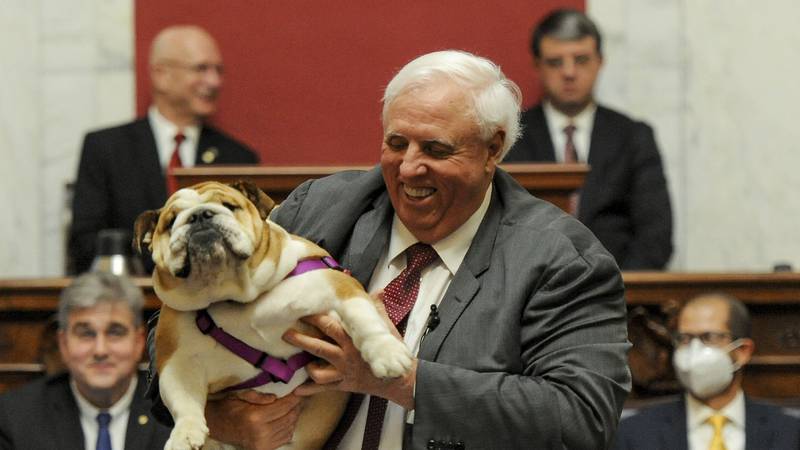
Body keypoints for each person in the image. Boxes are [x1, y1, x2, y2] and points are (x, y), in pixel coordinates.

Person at [151, 49, 630, 449]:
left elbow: (581, 418)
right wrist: (225, 418)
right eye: (396, 143)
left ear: (493, 149)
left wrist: (404, 383)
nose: (408, 169)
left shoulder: (561, 258)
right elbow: (175, 337)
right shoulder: (319, 210)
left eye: (436, 150)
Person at [68, 24, 259, 274]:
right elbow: (85, 242)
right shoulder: (106, 149)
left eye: (218, 70)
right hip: (133, 299)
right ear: (161, 74)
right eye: (201, 69)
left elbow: (249, 238)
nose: (214, 81)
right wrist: (170, 253)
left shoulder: (238, 157)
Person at [504, 9, 673, 270]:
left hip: (620, 291)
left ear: (600, 62)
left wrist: (614, 291)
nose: (569, 73)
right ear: (537, 66)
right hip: (532, 291)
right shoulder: (511, 136)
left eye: (581, 60)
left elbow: (656, 237)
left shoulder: (633, 137)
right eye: (556, 62)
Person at [0, 272, 171, 449]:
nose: (100, 350)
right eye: (86, 334)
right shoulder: (15, 417)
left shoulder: (175, 414)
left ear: (139, 342)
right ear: (64, 344)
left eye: (115, 332)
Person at [613, 293, 800, 449]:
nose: (694, 350)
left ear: (743, 351)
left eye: (709, 337)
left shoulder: (790, 433)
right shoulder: (635, 433)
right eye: (685, 339)